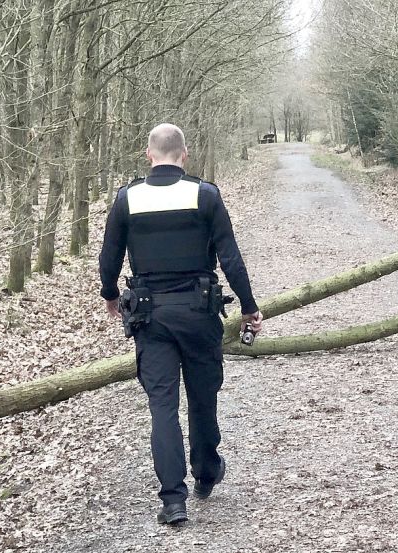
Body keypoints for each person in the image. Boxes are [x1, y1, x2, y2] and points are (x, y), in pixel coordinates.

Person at [98, 123, 263, 524]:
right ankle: (206, 472)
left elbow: (109, 258)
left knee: (162, 407)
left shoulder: (127, 199)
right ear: (184, 155)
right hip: (198, 312)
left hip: (150, 317)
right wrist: (248, 306)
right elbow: (230, 257)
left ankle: (173, 499)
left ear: (148, 155)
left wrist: (110, 297)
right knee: (203, 398)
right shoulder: (205, 195)